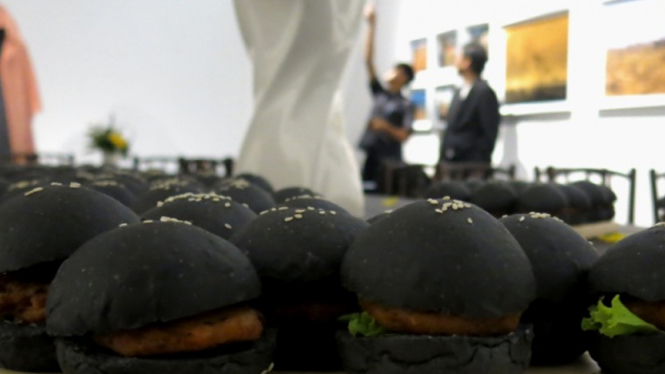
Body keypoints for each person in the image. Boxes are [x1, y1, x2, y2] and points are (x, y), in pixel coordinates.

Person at [359, 3, 415, 188]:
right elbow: (368, 60)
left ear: (403, 77)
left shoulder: (405, 104)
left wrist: (384, 126)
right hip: (372, 157)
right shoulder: (381, 94)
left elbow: (404, 135)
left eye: (396, 70)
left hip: (389, 162)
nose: (390, 72)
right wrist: (372, 26)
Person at [440, 42, 500, 165]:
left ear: (467, 62)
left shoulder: (484, 92)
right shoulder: (458, 91)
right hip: (451, 163)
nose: (455, 61)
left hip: (471, 166)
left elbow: (488, 135)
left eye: (459, 57)